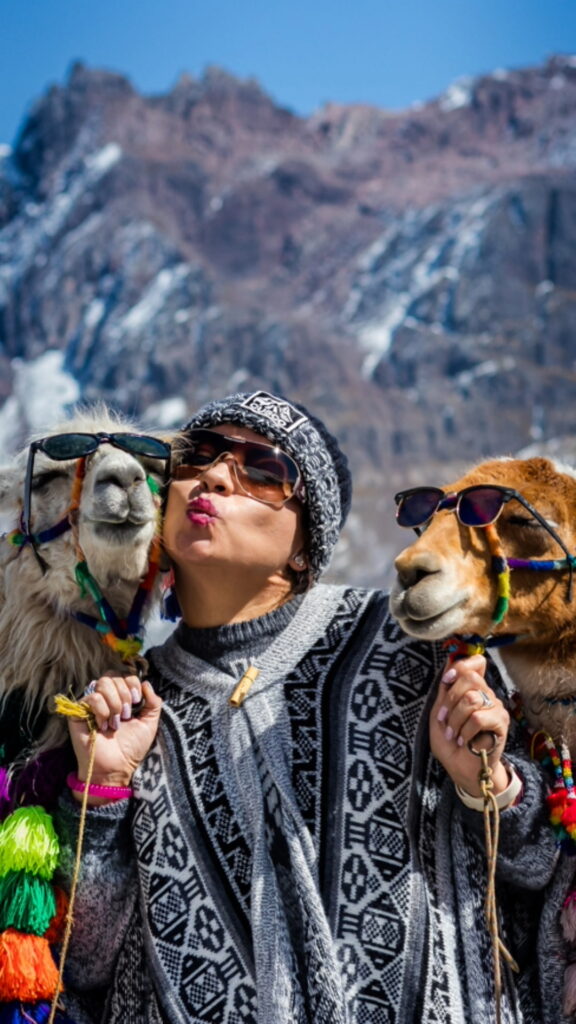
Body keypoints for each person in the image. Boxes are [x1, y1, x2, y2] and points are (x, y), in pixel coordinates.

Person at [55, 390, 560, 1024]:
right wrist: (101, 790)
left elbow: (538, 862)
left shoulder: (413, 646)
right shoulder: (130, 705)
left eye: (263, 470)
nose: (215, 476)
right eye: (197, 456)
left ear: (305, 545)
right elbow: (83, 963)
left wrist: (485, 780)